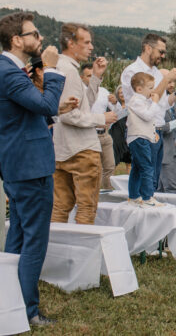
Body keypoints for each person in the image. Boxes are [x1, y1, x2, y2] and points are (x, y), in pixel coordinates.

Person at [0, 11, 72, 326]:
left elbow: (30, 108)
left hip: (19, 165)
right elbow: (44, 104)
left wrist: (55, 105)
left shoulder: (10, 70)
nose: (41, 38)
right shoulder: (8, 72)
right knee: (34, 240)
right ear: (17, 40)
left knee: (18, 234)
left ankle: (11, 301)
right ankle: (28, 310)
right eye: (35, 34)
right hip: (30, 168)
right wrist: (52, 69)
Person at [52, 24, 117, 225]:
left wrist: (95, 77)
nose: (91, 47)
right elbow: (68, 115)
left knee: (60, 206)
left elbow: (83, 104)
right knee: (87, 207)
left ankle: (56, 242)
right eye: (86, 42)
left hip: (61, 148)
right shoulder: (69, 71)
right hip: (82, 149)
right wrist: (101, 119)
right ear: (71, 43)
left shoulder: (59, 67)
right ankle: (81, 244)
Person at [121, 34, 176, 193]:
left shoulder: (156, 72)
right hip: (142, 132)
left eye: (164, 52)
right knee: (145, 173)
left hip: (157, 129)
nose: (163, 56)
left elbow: (162, 104)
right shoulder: (132, 71)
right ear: (148, 48)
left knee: (154, 175)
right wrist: (166, 79)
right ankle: (142, 200)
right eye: (161, 51)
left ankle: (147, 199)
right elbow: (146, 101)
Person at [125, 73, 165, 207]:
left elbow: (146, 120)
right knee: (147, 167)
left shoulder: (142, 101)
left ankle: (134, 196)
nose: (153, 91)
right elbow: (147, 116)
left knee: (137, 167)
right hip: (139, 138)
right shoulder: (136, 101)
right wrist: (155, 102)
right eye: (150, 88)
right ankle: (147, 197)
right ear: (139, 89)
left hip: (142, 136)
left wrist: (152, 133)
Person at [79, 63, 116, 189]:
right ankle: (93, 194)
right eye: (89, 76)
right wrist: (99, 120)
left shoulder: (104, 91)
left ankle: (107, 193)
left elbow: (116, 112)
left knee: (110, 166)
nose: (92, 79)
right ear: (81, 77)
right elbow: (80, 115)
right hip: (89, 134)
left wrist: (115, 103)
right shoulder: (80, 93)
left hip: (105, 134)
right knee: (93, 169)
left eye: (94, 76)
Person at [109, 85, 131, 173]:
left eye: (123, 92)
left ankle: (129, 180)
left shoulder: (132, 105)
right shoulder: (113, 105)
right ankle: (110, 180)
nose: (122, 94)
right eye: (120, 93)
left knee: (129, 161)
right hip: (116, 134)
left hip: (128, 133)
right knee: (114, 160)